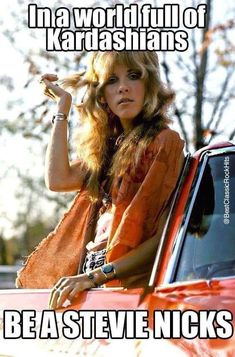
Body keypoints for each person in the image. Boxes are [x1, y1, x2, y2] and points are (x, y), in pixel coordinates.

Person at [34, 51, 185, 309]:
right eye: (111, 80)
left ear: (149, 84)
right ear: (102, 94)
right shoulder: (108, 150)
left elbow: (163, 238)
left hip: (131, 287)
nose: (123, 87)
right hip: (93, 280)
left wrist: (94, 277)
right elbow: (58, 179)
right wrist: (62, 109)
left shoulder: (164, 142)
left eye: (134, 76)